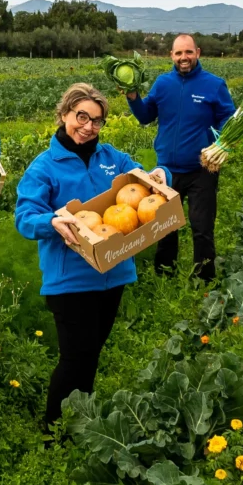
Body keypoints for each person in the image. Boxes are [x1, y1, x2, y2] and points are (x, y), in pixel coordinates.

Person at [15, 83, 169, 428]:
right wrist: (51, 220)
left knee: (91, 353)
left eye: (96, 121)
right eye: (80, 116)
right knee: (75, 358)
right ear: (64, 114)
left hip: (114, 274)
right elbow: (24, 217)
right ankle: (53, 430)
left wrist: (161, 175)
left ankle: (79, 418)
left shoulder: (113, 159)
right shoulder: (45, 167)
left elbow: (146, 182)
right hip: (69, 279)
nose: (87, 126)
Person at [124, 34, 235, 282]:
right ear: (171, 56)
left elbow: (228, 118)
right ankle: (165, 274)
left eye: (188, 52)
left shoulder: (214, 85)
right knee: (164, 226)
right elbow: (145, 116)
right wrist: (132, 98)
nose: (183, 58)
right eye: (178, 53)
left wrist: (220, 144)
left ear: (198, 52)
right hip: (166, 170)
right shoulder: (163, 84)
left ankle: (203, 279)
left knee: (201, 227)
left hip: (202, 170)